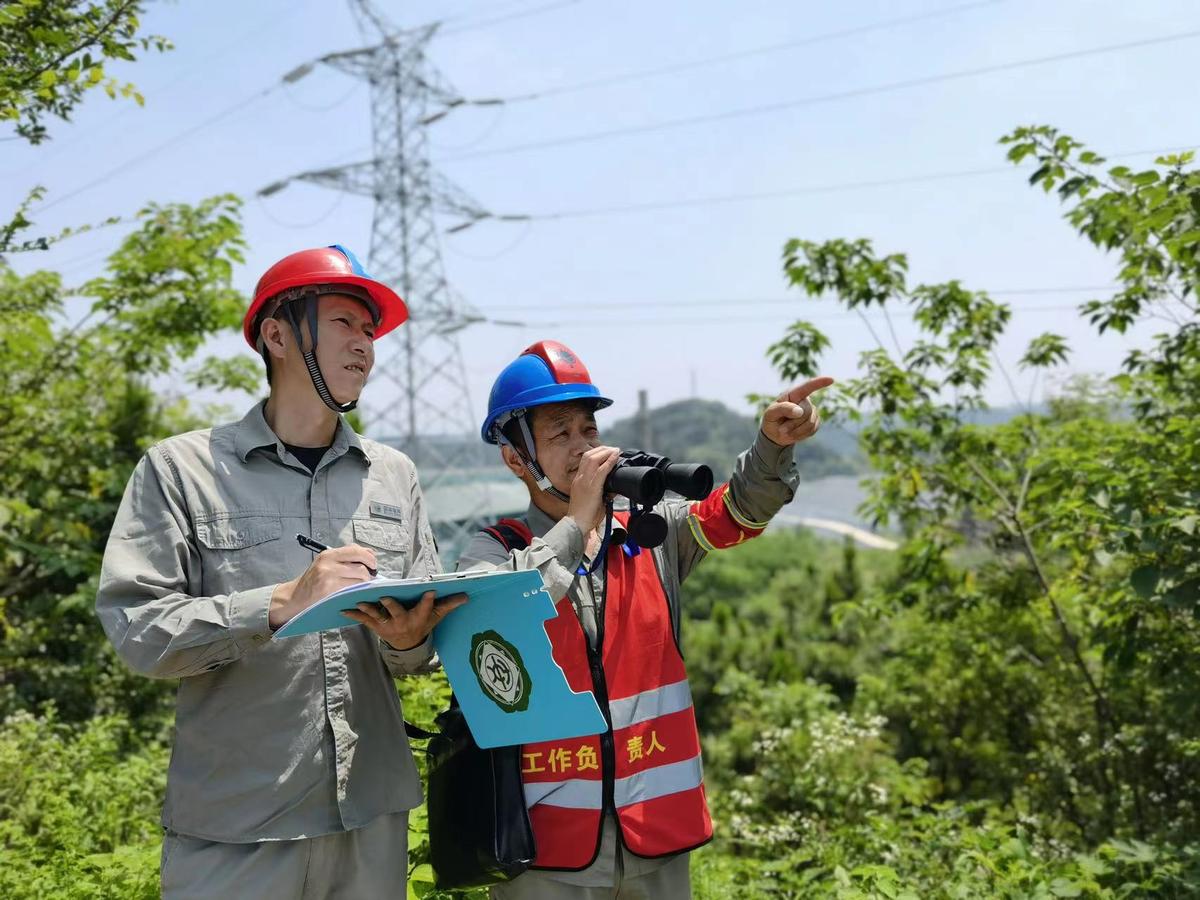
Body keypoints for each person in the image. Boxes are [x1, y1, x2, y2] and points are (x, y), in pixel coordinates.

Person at [96, 244, 464, 899]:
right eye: (345, 323)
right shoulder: (181, 469)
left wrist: (410, 641)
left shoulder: (393, 475)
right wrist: (278, 603)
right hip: (237, 829)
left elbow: (417, 656)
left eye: (370, 331)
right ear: (278, 334)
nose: (366, 346)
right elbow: (138, 629)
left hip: (370, 823)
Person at [458, 339, 832, 899]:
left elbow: (736, 512)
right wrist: (577, 524)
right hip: (543, 847)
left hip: (654, 831)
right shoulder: (492, 554)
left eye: (589, 430)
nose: (584, 448)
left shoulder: (648, 535)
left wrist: (771, 447)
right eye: (560, 434)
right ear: (516, 458)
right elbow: (504, 618)